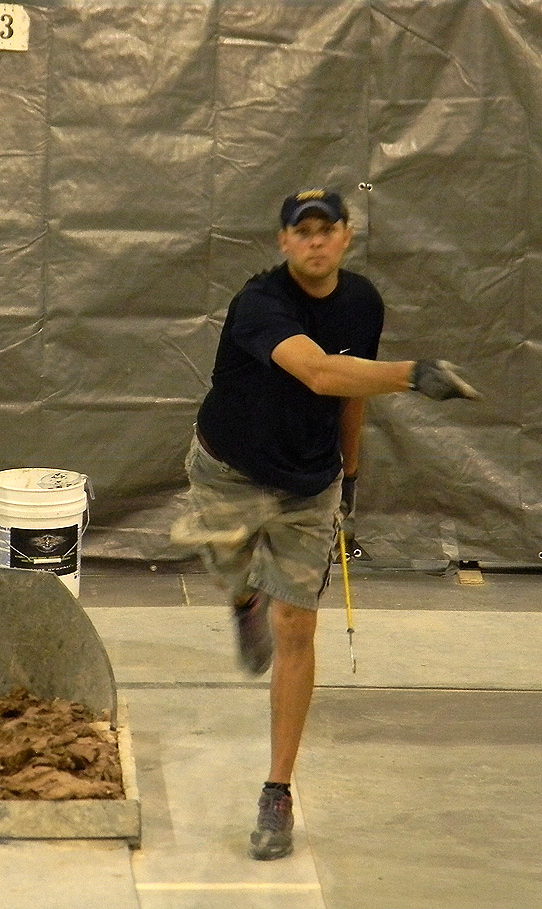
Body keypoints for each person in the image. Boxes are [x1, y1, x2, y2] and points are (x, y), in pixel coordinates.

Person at [171, 187, 480, 861]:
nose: (314, 240)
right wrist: (413, 374)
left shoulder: (363, 301)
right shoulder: (260, 303)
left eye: (326, 229)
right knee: (232, 568)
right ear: (284, 242)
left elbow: (351, 387)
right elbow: (315, 371)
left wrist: (352, 474)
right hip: (228, 470)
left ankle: (276, 789)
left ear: (345, 235)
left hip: (309, 485)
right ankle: (242, 594)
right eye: (301, 231)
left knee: (298, 627)